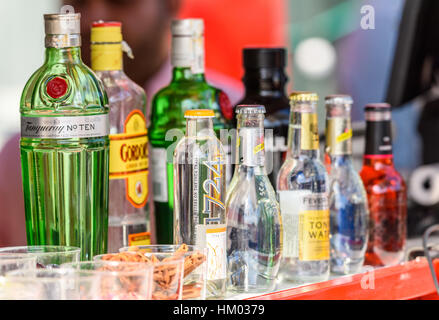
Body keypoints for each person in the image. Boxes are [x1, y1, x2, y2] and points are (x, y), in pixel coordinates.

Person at [0, 0, 242, 246]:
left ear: (170, 4)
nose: (96, 17)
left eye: (120, 2)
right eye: (78, 1)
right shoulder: (18, 153)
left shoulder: (232, 112)